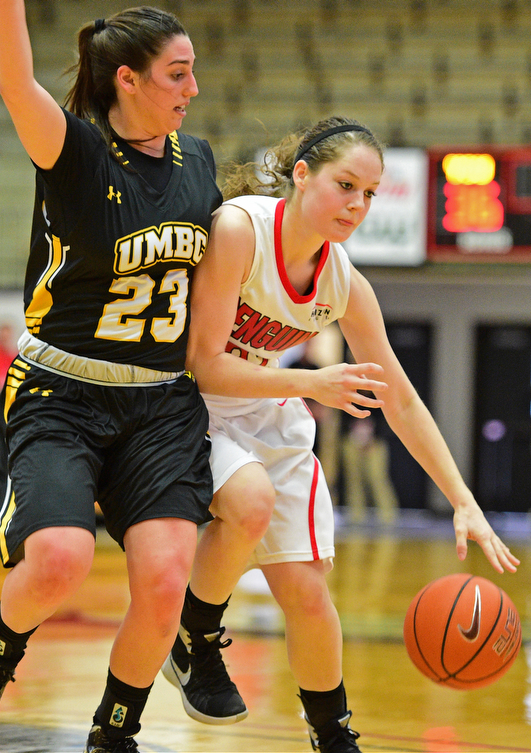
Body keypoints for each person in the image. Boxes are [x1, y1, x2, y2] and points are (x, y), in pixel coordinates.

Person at [161, 116, 520, 752]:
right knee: (248, 503)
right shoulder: (241, 229)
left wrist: (464, 499)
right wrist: (312, 385)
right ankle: (195, 634)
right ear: (302, 175)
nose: (357, 205)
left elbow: (401, 400)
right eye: (345, 185)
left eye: (370, 193)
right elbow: (205, 361)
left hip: (267, 410)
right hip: (194, 406)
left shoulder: (344, 281)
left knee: (306, 591)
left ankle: (334, 735)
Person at [0, 4, 222, 752]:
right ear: (126, 80)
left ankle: (115, 731)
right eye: (177, 72)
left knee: (166, 583)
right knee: (60, 559)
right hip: (61, 393)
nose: (193, 86)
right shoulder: (76, 154)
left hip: (160, 402)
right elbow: (14, 81)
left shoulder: (199, 162)